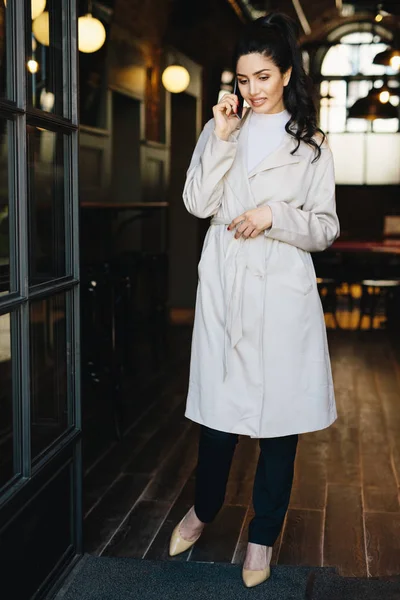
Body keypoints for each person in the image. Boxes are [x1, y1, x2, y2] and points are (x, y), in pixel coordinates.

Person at [169, 12, 340, 589]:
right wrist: (218, 139)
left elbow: (324, 228)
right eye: (243, 79)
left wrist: (274, 216)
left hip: (283, 290)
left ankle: (262, 537)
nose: (253, 90)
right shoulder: (223, 128)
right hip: (226, 285)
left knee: (279, 425)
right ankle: (205, 508)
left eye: (263, 76)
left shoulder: (312, 143)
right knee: (219, 414)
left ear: (286, 73)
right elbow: (196, 203)